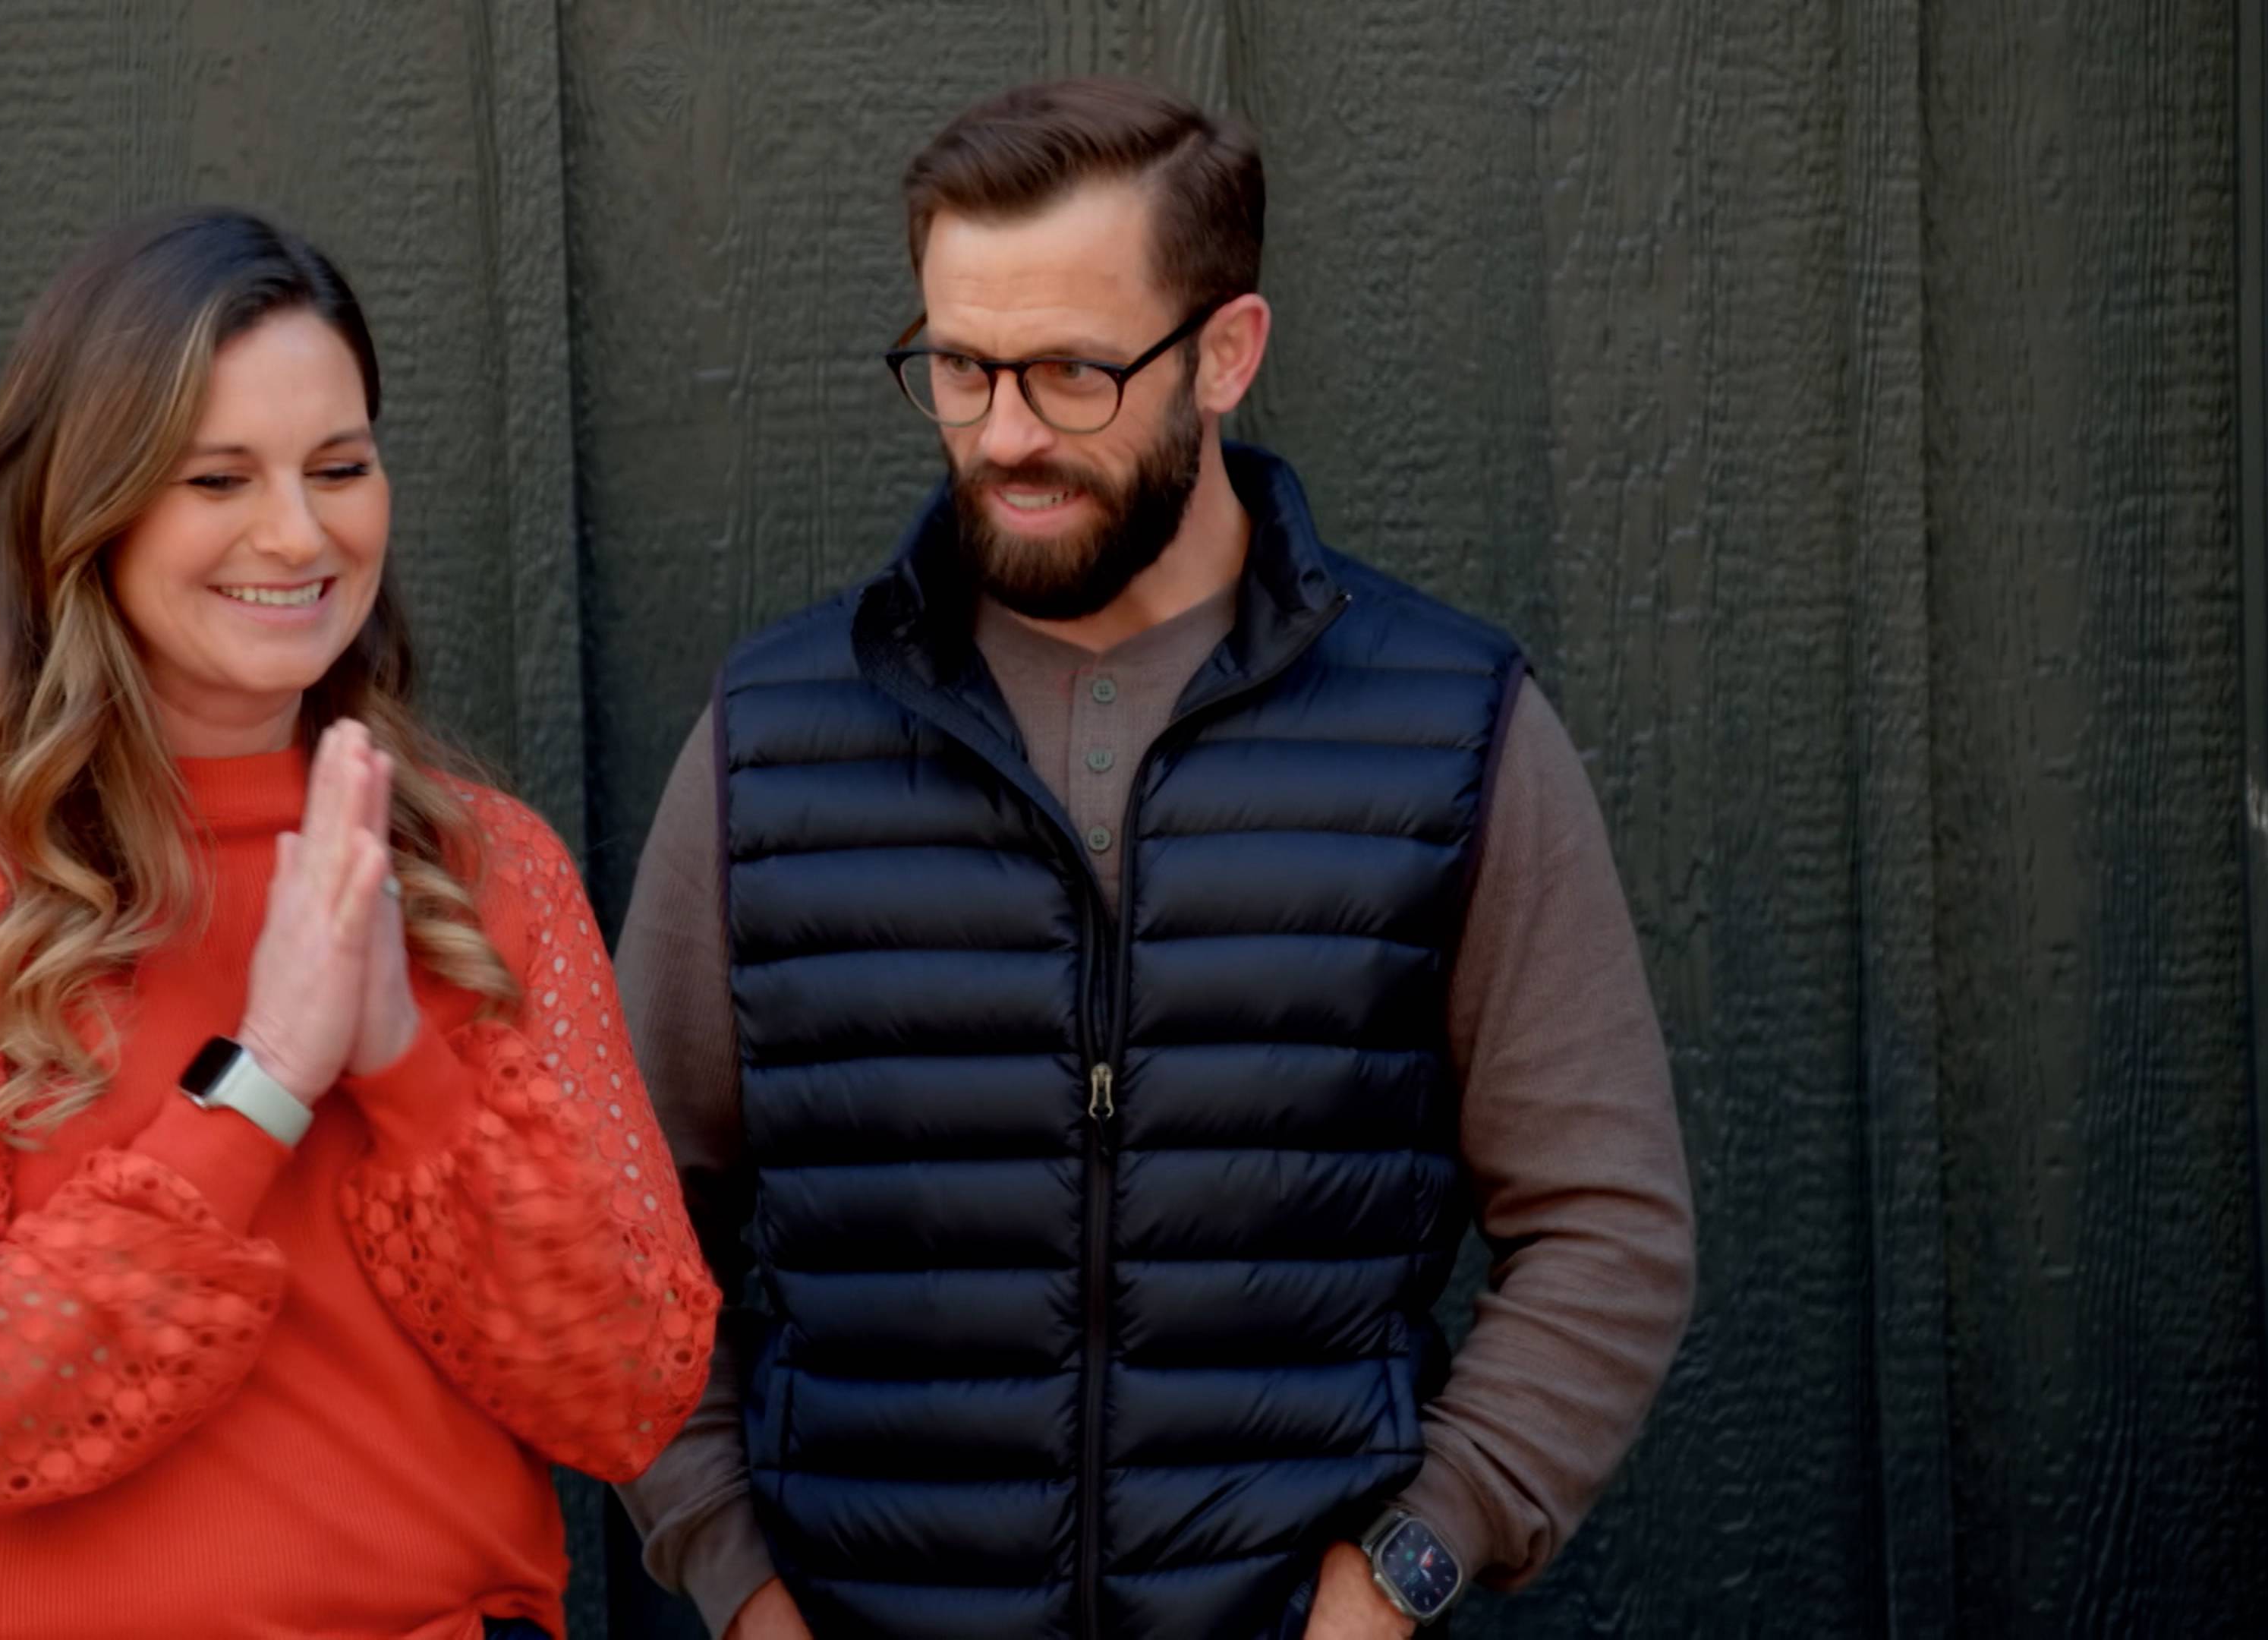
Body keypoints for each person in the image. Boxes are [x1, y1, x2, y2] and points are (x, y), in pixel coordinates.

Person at [616, 80, 1695, 1640]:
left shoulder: (1453, 729)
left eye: (1072, 372)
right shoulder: (771, 740)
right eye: (961, 368)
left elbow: (1608, 1226)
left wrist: (1400, 1578)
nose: (1005, 436)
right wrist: (739, 1588)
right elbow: (628, 1238)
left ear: (1226, 353)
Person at [0, 207, 715, 1640]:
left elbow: (632, 1389)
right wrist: (266, 1079)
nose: (299, 533)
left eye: (340, 468)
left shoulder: (484, 870)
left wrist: (404, 1062)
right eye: (218, 479)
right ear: (87, 506)